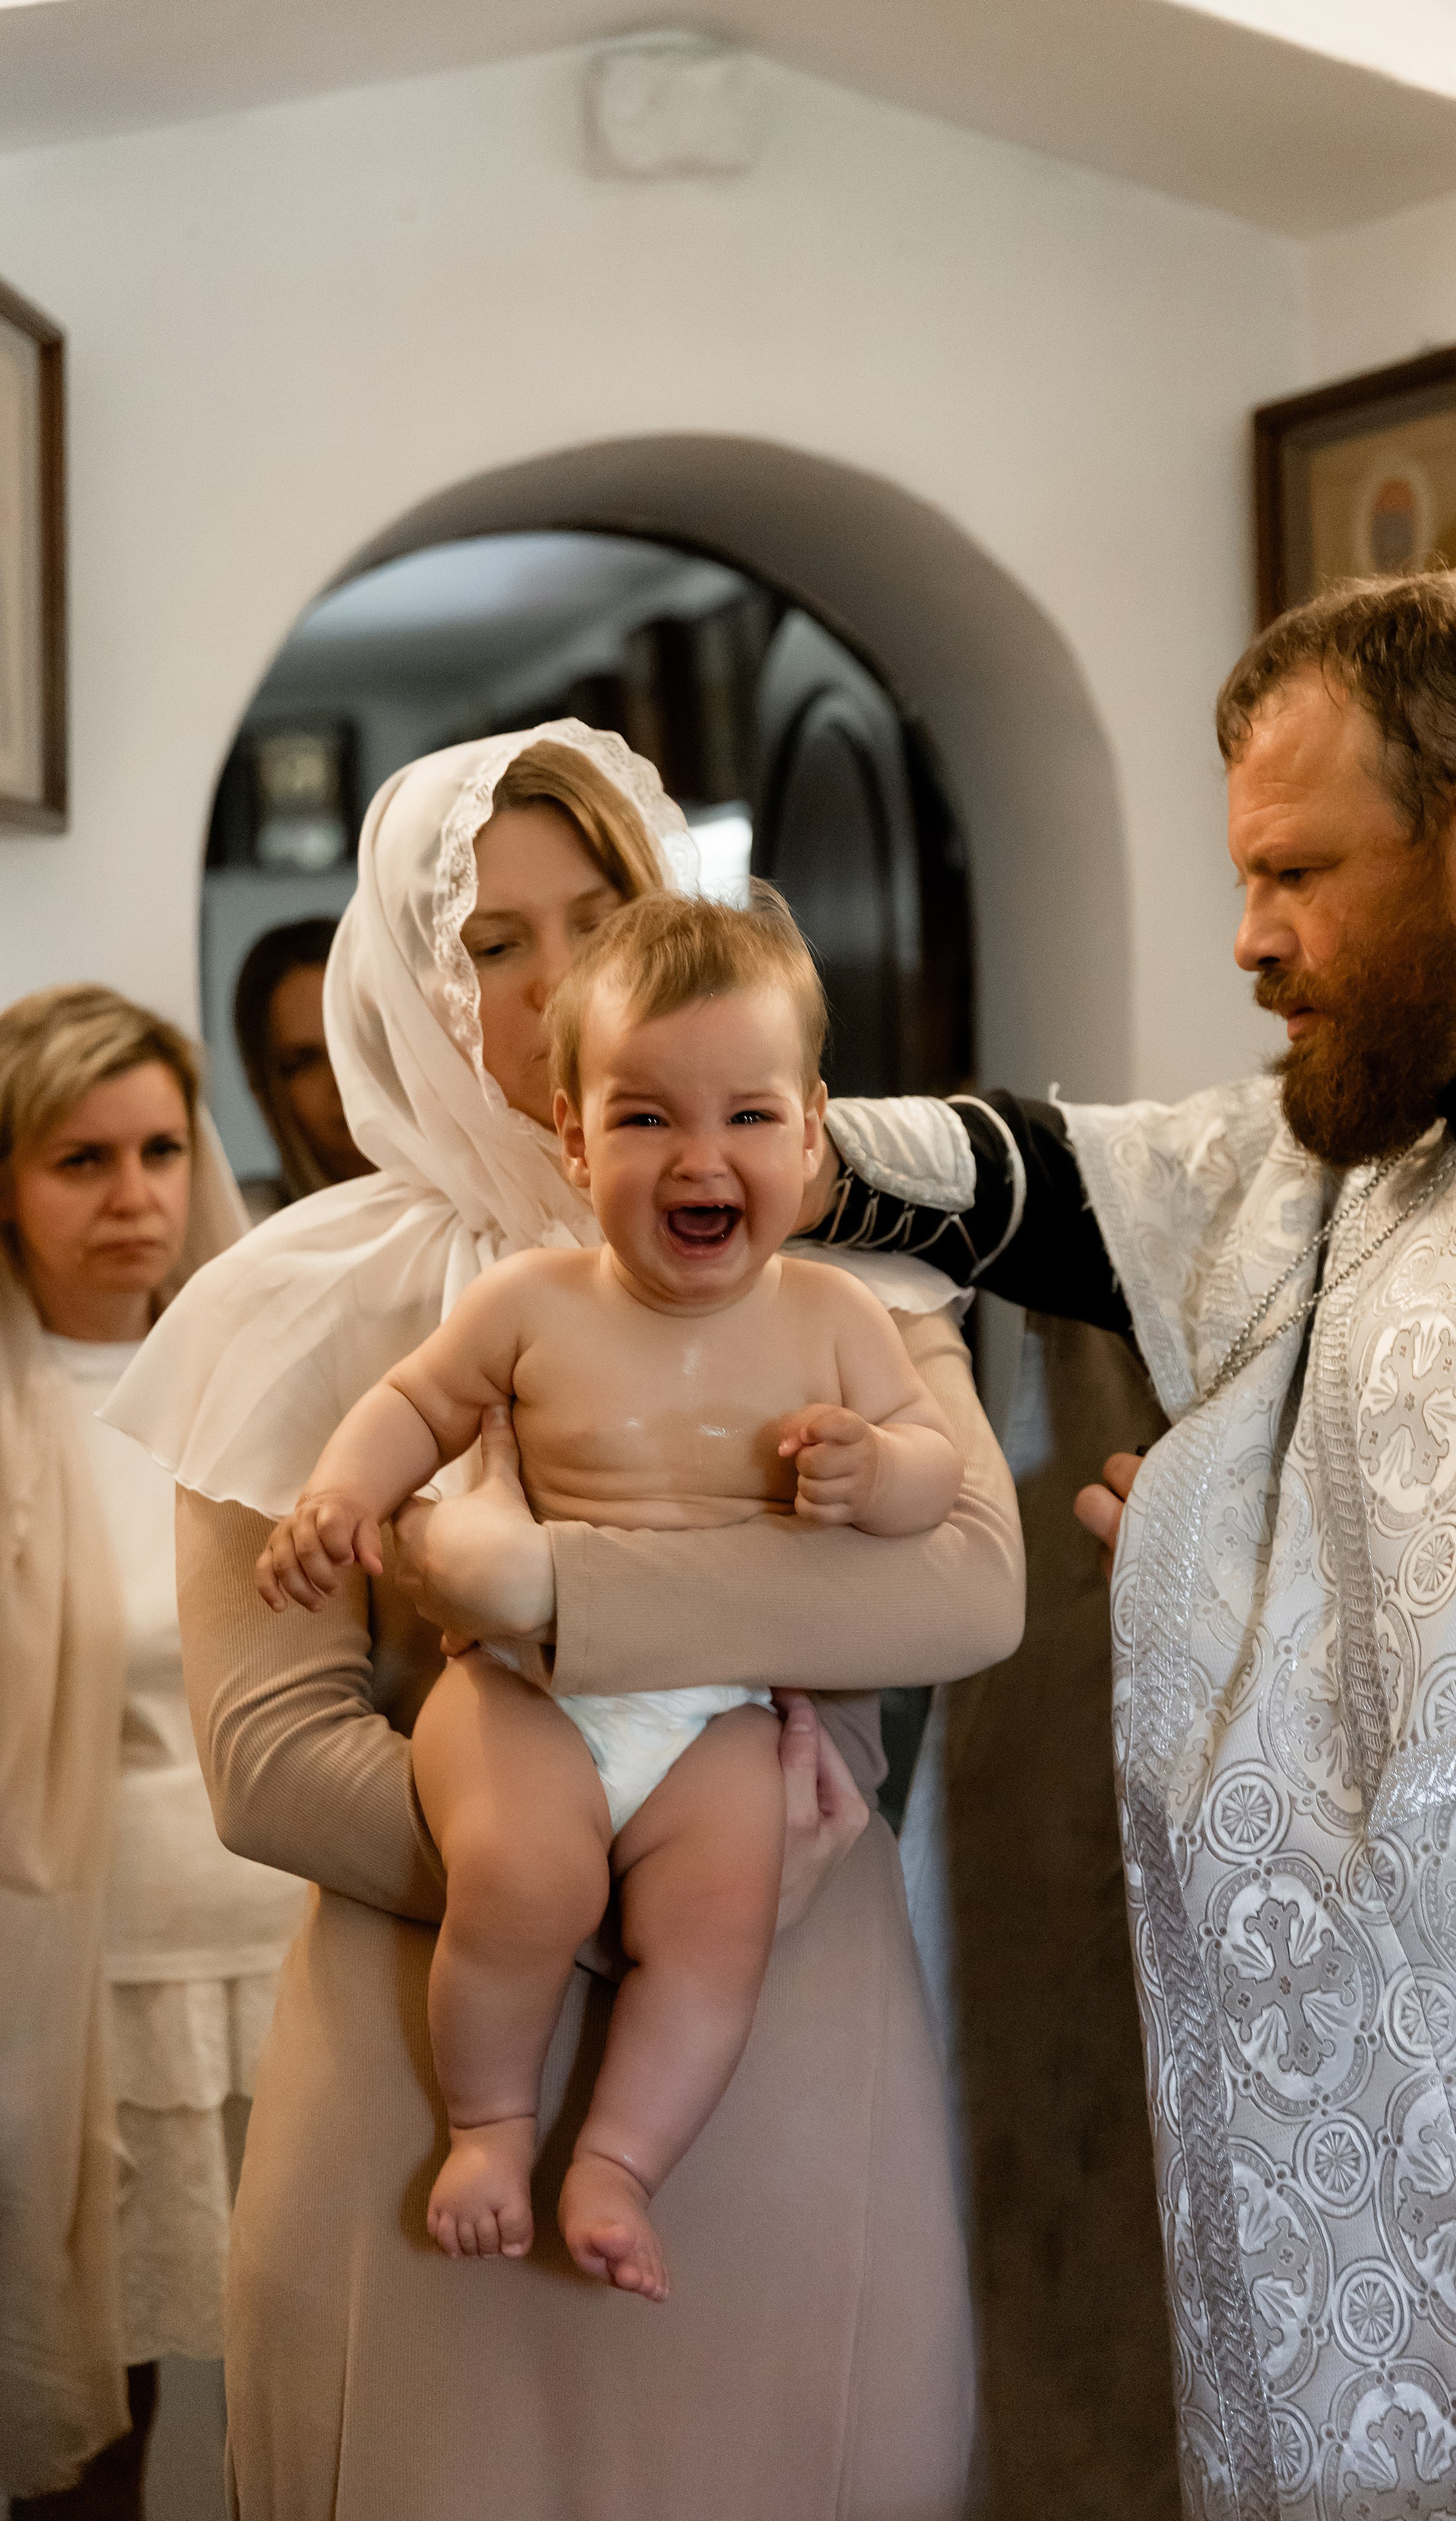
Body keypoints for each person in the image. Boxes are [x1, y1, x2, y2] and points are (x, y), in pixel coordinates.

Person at [803, 573, 1456, 2515]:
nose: (1249, 937)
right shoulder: (1425, 1123)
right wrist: (779, 1146)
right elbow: (1119, 1184)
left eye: (1293, 871)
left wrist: (1210, 1532)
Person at [106, 722, 1025, 2520]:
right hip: (434, 2051)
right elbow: (272, 1759)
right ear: (402, 979)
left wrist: (559, 1604)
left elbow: (963, 1586)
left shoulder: (834, 1270)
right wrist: (583, 1868)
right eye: (489, 943)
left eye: (594, 913)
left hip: (782, 2007)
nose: (548, 988)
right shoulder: (286, 1309)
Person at [258, 888, 966, 2293]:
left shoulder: (835, 1316)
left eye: (747, 1118)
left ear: (811, 1129)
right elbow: (416, 1403)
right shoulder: (532, 1302)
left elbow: (940, 1472)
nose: (700, 1156)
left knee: (717, 1926)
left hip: (714, 1718)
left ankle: (621, 2159)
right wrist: (341, 1492)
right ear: (575, 1139)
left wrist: (873, 1473)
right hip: (523, 1691)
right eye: (644, 1119)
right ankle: (489, 2123)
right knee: (524, 1873)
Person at [0, 985, 301, 2514]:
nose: (135, 1198)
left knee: (318, 2387)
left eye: (160, 1150)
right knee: (84, 2414)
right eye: (79, 1158)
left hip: (286, 1936)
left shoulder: (262, 1382)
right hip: (75, 1973)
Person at [232, 916, 374, 1212]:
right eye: (305, 1063)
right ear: (261, 1086)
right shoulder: (240, 1234)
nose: (341, 1081)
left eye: (358, 1044)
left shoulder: (482, 1217)